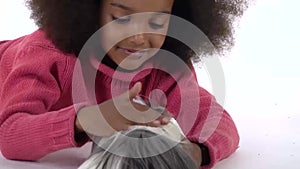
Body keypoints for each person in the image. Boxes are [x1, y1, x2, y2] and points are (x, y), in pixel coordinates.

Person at [0, 0, 248, 168]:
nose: (138, 38)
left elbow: (221, 125)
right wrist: (86, 120)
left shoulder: (164, 68)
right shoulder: (45, 54)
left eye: (156, 23)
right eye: (121, 18)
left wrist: (192, 153)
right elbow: (10, 136)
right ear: (88, 8)